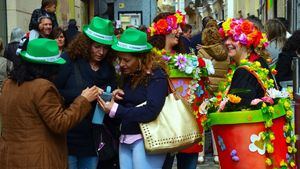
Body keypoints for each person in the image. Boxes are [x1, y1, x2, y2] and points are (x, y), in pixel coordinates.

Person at [0, 38, 101, 169]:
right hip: (38, 160)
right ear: (49, 67)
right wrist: (83, 100)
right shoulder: (43, 87)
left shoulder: (8, 84)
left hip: (10, 158)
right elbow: (60, 123)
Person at [97, 27, 168, 169]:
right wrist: (118, 98)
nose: (122, 64)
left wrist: (117, 110)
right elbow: (134, 101)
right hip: (126, 138)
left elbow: (151, 111)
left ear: (141, 59)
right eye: (120, 59)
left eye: (126, 60)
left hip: (147, 140)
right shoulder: (130, 74)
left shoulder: (156, 75)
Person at [54, 16, 117, 169]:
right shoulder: (69, 60)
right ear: (86, 43)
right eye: (97, 47)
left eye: (105, 48)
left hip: (94, 138)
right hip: (70, 136)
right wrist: (83, 95)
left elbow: (112, 95)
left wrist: (114, 96)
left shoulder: (108, 68)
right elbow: (54, 93)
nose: (101, 52)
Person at [148, 12, 206, 169]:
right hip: (162, 124)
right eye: (176, 27)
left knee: (188, 163)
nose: (180, 31)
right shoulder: (149, 58)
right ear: (163, 29)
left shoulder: (185, 57)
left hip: (185, 122)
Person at [219, 18, 274, 107]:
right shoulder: (259, 61)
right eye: (225, 38)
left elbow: (237, 107)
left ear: (247, 42)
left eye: (234, 38)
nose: (227, 42)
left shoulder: (243, 72)